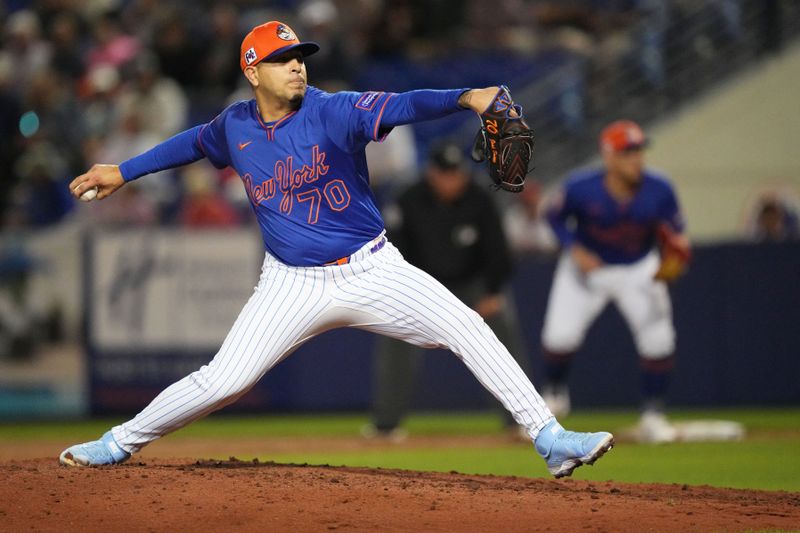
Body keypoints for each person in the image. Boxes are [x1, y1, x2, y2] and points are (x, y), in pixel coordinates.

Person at [61, 20, 613, 478]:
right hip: (290, 282)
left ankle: (551, 438)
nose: (297, 65)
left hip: (372, 268)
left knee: (467, 327)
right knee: (223, 381)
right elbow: (192, 143)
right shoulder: (234, 125)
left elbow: (404, 104)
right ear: (252, 72)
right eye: (282, 58)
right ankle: (118, 442)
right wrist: (124, 170)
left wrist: (469, 97)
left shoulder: (333, 110)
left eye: (300, 55)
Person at [365, 142, 531, 440]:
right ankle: (386, 424)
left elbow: (497, 250)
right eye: (445, 173)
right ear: (432, 173)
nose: (451, 180)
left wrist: (492, 291)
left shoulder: (479, 197)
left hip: (471, 284)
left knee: (500, 340)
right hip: (420, 285)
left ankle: (522, 421)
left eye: (456, 173)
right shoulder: (409, 198)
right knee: (395, 341)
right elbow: (392, 249)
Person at [540, 119, 689, 443]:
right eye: (627, 152)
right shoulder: (582, 186)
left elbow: (676, 236)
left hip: (639, 267)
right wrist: (573, 248)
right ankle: (554, 394)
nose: (636, 158)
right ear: (608, 157)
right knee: (559, 338)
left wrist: (674, 257)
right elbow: (552, 216)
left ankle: (653, 414)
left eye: (638, 151)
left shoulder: (659, 188)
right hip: (587, 267)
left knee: (659, 341)